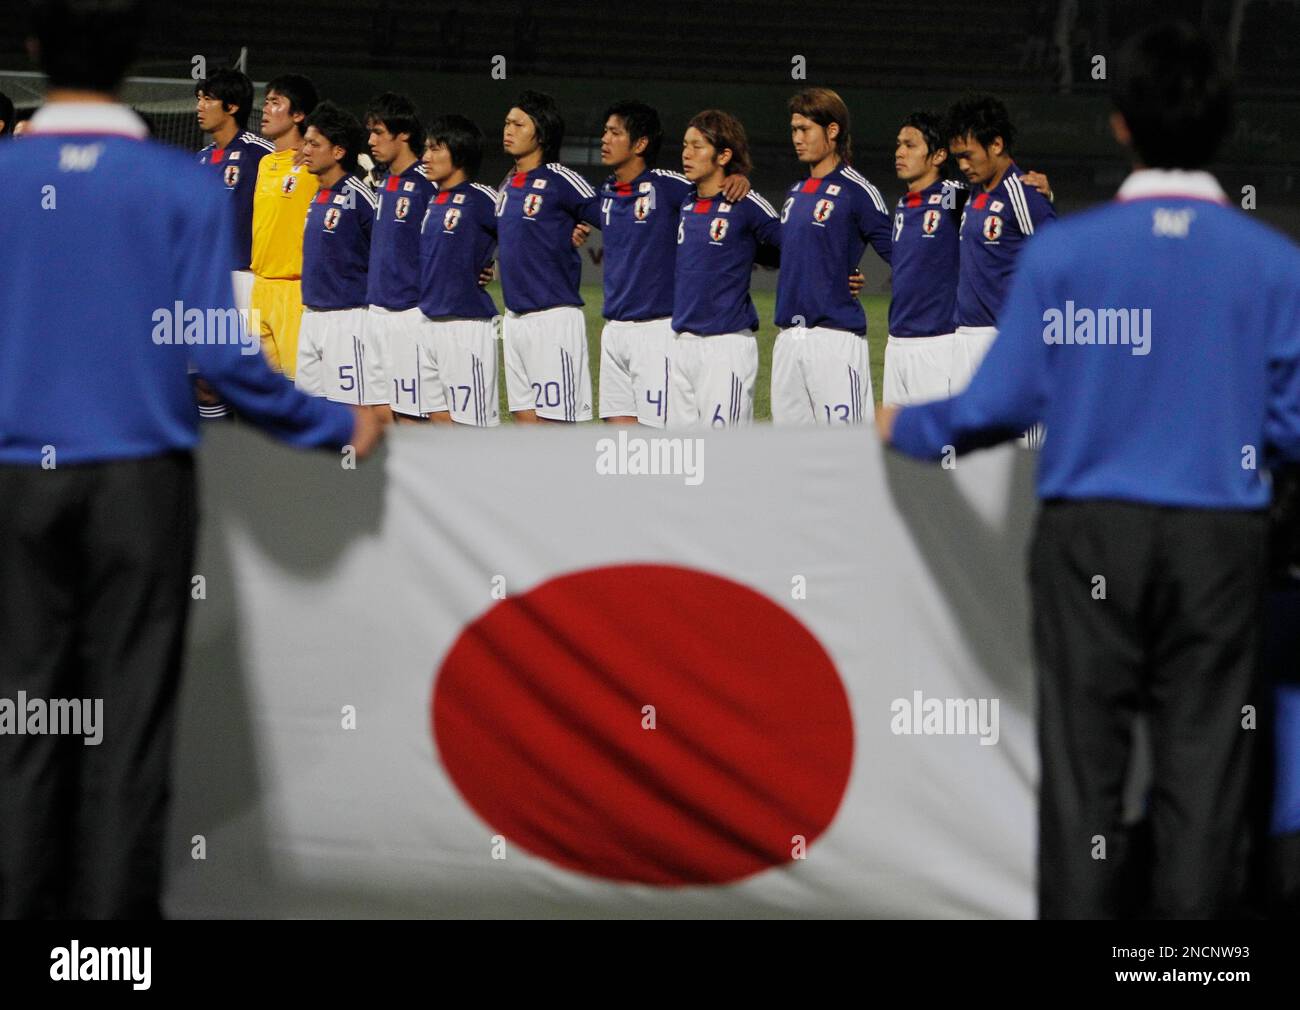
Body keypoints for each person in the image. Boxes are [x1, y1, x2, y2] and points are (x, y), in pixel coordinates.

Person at [878, 21, 1300, 919]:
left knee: (1082, 787)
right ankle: (1189, 970)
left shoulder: (1070, 254)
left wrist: (905, 429)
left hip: (1088, 545)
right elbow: (1292, 428)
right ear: (1225, 127)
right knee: (1203, 782)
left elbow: (994, 406)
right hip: (1217, 547)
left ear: (1119, 125)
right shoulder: (1275, 266)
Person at [0, 0, 382, 919]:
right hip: (139, 484)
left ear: (34, 53)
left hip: (15, 483)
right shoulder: (180, 185)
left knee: (21, 714)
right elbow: (219, 351)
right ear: (136, 64)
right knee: (131, 722)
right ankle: (109, 948)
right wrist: (333, 424)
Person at [573, 100, 750, 427]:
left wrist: (738, 178)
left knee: (660, 436)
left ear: (639, 144)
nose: (604, 139)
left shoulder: (669, 187)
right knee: (620, 434)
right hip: (613, 329)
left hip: (657, 331)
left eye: (614, 132)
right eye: (604, 132)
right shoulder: (607, 193)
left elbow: (715, 195)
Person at [771, 87, 891, 425]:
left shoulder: (858, 190)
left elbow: (898, 250)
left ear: (833, 131)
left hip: (835, 338)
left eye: (805, 129)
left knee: (847, 453)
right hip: (788, 341)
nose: (797, 138)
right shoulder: (795, 192)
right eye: (794, 130)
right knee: (793, 458)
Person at [670, 109, 781, 428]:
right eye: (684, 145)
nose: (686, 154)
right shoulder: (686, 200)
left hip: (725, 346)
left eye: (697, 146)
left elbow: (792, 244)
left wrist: (842, 271)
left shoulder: (745, 203)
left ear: (724, 155)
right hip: (682, 342)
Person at [496, 90, 596, 423]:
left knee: (558, 431)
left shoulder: (560, 179)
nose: (508, 130)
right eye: (507, 123)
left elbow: (610, 213)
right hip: (513, 319)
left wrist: (579, 223)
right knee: (527, 428)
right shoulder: (507, 184)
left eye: (518, 124)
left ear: (540, 132)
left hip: (552, 317)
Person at [414, 115, 502, 426]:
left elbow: (523, 232)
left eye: (435, 149)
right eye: (425, 149)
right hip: (428, 322)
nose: (426, 157)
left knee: (471, 428)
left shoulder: (482, 197)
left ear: (459, 153)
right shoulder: (434, 200)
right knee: (439, 422)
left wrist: (494, 263)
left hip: (466, 326)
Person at [296, 101, 376, 402]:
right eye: (305, 142)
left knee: (350, 412)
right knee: (309, 412)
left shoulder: (358, 196)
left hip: (347, 320)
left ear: (339, 151)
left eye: (314, 144)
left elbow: (387, 248)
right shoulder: (319, 194)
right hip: (311, 315)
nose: (305, 150)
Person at [364, 92, 436, 420]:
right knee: (379, 412)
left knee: (410, 415)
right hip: (376, 310)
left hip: (409, 313)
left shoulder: (427, 182)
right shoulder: (385, 182)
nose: (371, 140)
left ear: (403, 133)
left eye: (378, 132)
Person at [250, 73, 319, 378]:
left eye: (275, 103)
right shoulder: (265, 163)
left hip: (295, 291)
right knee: (261, 392)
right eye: (265, 102)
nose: (265, 109)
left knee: (298, 389)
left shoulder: (313, 165)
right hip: (259, 287)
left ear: (298, 114)